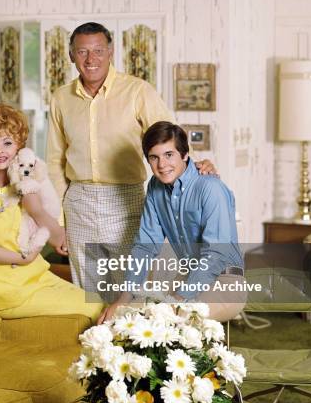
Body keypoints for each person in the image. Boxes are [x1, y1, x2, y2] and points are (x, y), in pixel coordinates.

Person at [47, 21, 216, 293]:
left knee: (130, 288)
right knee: (86, 292)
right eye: (82, 52)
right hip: (78, 201)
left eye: (98, 50)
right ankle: (93, 337)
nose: (91, 59)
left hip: (125, 200)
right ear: (71, 56)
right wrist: (58, 222)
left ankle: (127, 335)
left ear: (111, 52)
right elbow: (55, 162)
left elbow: (169, 138)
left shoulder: (137, 91)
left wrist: (194, 165)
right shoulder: (60, 99)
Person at [0, 103, 103, 321]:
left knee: (101, 303)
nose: (0, 151)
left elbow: (49, 228)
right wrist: (23, 259)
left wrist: (39, 212)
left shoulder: (24, 183)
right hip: (8, 288)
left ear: (20, 147)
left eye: (7, 143)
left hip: (36, 277)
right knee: (94, 309)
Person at [98, 121, 246, 323]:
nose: (161, 165)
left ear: (185, 154)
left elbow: (216, 254)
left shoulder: (210, 188)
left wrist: (177, 300)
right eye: (154, 157)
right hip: (188, 277)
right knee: (128, 317)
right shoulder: (155, 187)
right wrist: (124, 298)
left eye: (169, 155)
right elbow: (145, 246)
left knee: (172, 321)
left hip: (226, 281)